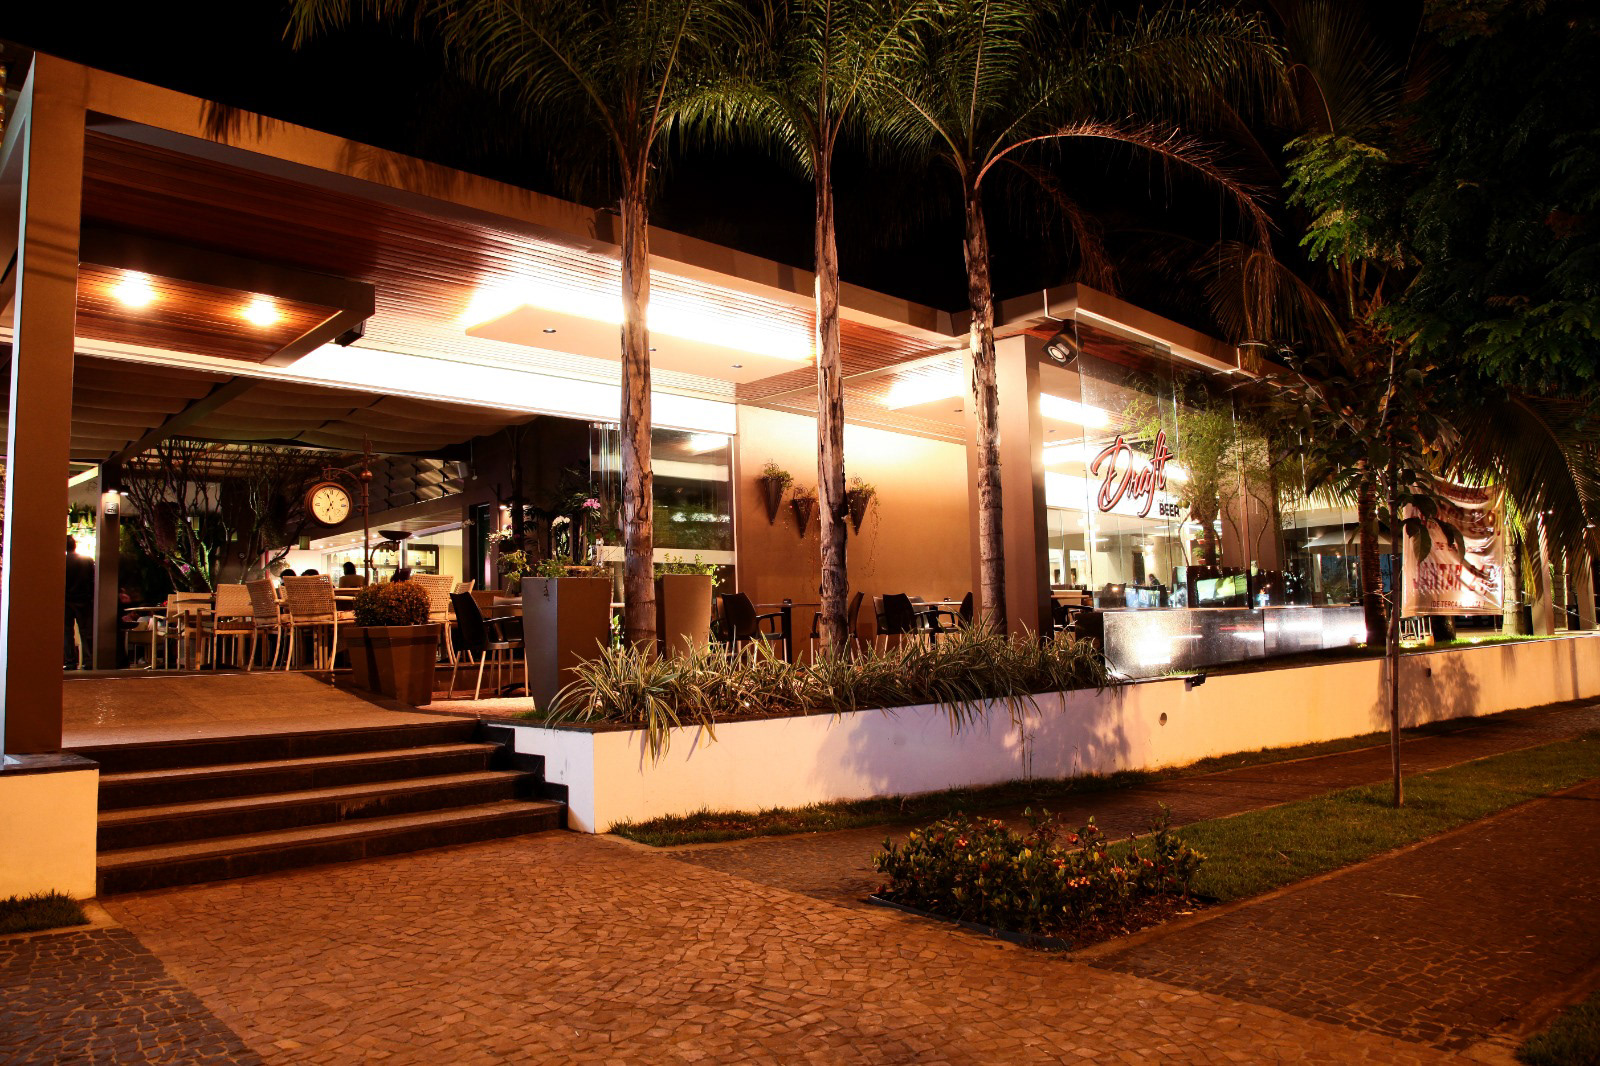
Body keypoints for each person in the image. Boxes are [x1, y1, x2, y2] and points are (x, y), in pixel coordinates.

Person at [64, 536, 95, 670]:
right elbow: (93, 580)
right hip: (84, 600)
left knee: (67, 632)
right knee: (86, 631)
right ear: (75, 545)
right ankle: (89, 660)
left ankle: (70, 661)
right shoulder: (87, 560)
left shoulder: (62, 561)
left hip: (66, 600)